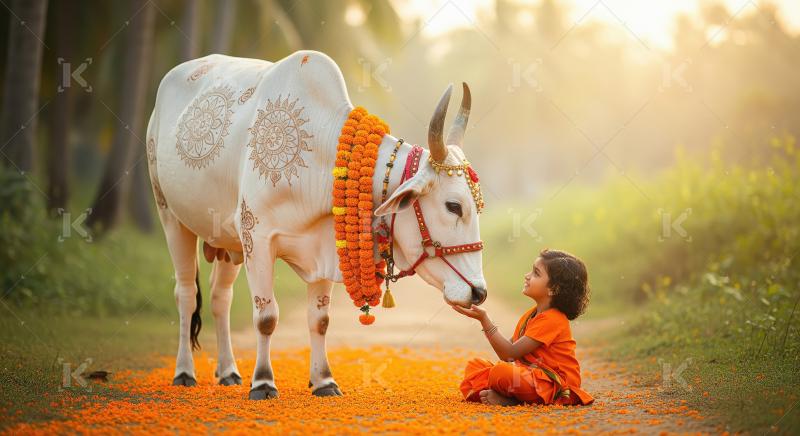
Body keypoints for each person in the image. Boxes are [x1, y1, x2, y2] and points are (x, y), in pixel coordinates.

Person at [452, 248, 594, 406]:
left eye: (536, 273)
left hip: (555, 385)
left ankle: (511, 400)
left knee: (501, 373)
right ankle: (505, 395)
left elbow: (509, 354)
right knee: (476, 366)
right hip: (528, 375)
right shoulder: (531, 315)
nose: (527, 276)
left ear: (554, 289)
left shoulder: (554, 319)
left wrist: (485, 320)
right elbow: (508, 350)